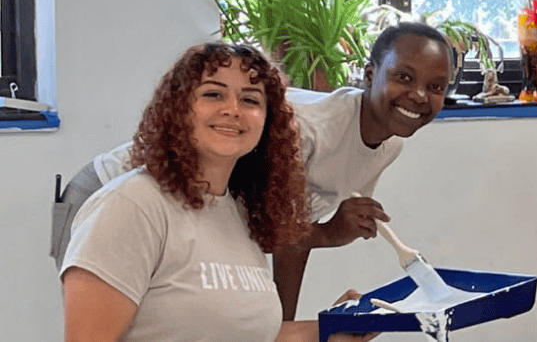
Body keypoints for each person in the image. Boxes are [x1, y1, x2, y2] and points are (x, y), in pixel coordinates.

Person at [51, 22, 459, 319]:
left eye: (436, 87)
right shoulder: (312, 130)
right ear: (369, 75)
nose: (419, 95)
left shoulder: (388, 144)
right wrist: (285, 316)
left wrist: (307, 324)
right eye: (403, 77)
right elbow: (288, 241)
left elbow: (285, 229)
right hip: (105, 189)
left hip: (196, 208)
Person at [59, 43, 371, 342]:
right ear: (179, 110)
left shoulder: (241, 213)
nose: (232, 110)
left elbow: (247, 335)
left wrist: (329, 329)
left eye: (250, 100)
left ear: (268, 122)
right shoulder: (131, 206)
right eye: (213, 94)